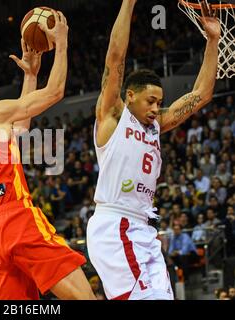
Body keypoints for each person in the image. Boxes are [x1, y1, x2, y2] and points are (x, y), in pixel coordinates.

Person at [0, 10, 95, 300]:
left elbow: (19, 130)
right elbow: (55, 92)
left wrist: (30, 75)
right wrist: (62, 43)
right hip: (16, 217)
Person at [86, 0, 220, 300]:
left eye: (160, 102)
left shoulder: (157, 125)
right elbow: (115, 60)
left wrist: (212, 41)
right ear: (129, 95)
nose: (156, 108)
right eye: (150, 101)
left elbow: (201, 95)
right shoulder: (113, 117)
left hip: (142, 228)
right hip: (116, 224)